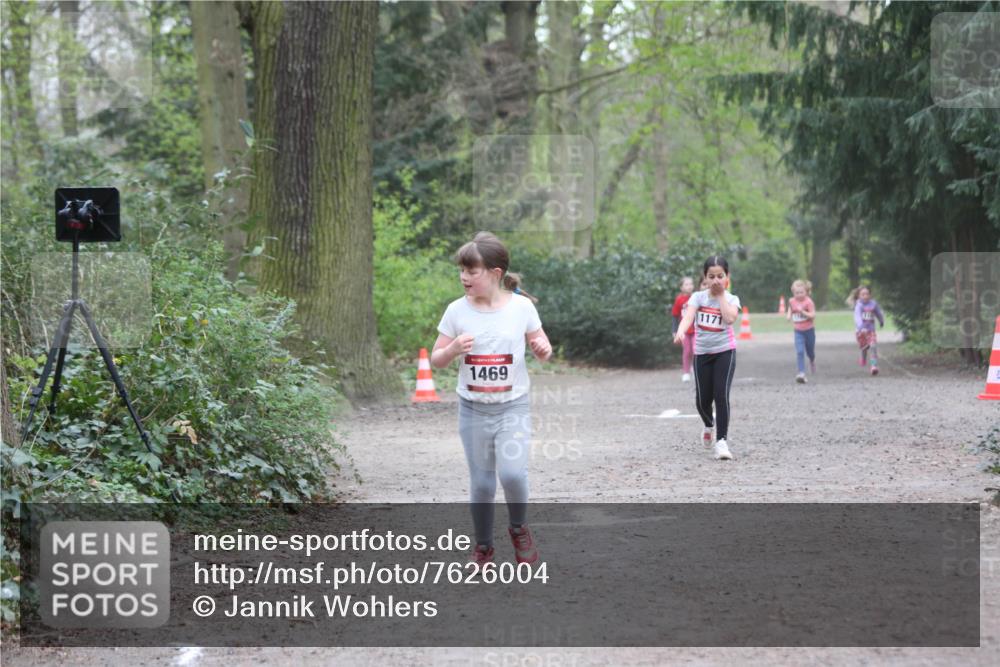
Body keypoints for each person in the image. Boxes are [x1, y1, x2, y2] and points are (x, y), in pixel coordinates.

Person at [431, 231, 553, 571]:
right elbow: (436, 360)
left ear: (495, 274)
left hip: (512, 407)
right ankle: (483, 546)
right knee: (483, 483)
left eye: (472, 271)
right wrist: (452, 350)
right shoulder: (456, 311)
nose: (464, 277)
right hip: (472, 409)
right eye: (462, 271)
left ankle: (519, 529)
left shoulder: (521, 307)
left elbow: (542, 345)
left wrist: (543, 349)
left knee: (513, 474)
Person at [672, 256, 740, 460]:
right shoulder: (697, 298)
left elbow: (729, 318)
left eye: (720, 276)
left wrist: (720, 297)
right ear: (705, 277)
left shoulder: (732, 299)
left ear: (727, 277)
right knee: (702, 401)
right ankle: (709, 424)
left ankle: (722, 442)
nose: (716, 280)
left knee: (721, 395)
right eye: (712, 277)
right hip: (701, 354)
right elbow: (688, 317)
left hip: (725, 352)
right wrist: (681, 332)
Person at [786, 279, 817, 383]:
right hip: (798, 331)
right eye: (796, 293)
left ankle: (812, 360)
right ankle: (801, 373)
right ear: (793, 292)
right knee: (799, 351)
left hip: (809, 330)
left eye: (801, 292)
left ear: (806, 292)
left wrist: (803, 312)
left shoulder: (808, 302)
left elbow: (813, 316)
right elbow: (791, 308)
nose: (799, 295)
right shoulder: (791, 301)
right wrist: (789, 315)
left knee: (810, 351)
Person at [853, 285, 884, 375]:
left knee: (873, 346)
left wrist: (881, 321)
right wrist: (861, 327)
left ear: (870, 295)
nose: (865, 296)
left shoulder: (873, 304)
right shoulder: (858, 306)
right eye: (863, 294)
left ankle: (874, 366)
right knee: (864, 347)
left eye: (867, 294)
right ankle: (863, 358)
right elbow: (857, 317)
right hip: (861, 332)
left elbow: (878, 313)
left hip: (871, 331)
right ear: (859, 296)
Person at [670, 276, 696, 382]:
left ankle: (695, 368)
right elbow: (675, 316)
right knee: (687, 351)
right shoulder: (679, 299)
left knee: (696, 349)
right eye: (686, 284)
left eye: (691, 284)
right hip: (684, 330)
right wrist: (674, 331)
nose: (690, 286)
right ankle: (686, 372)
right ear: (681, 287)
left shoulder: (696, 297)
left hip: (696, 329)